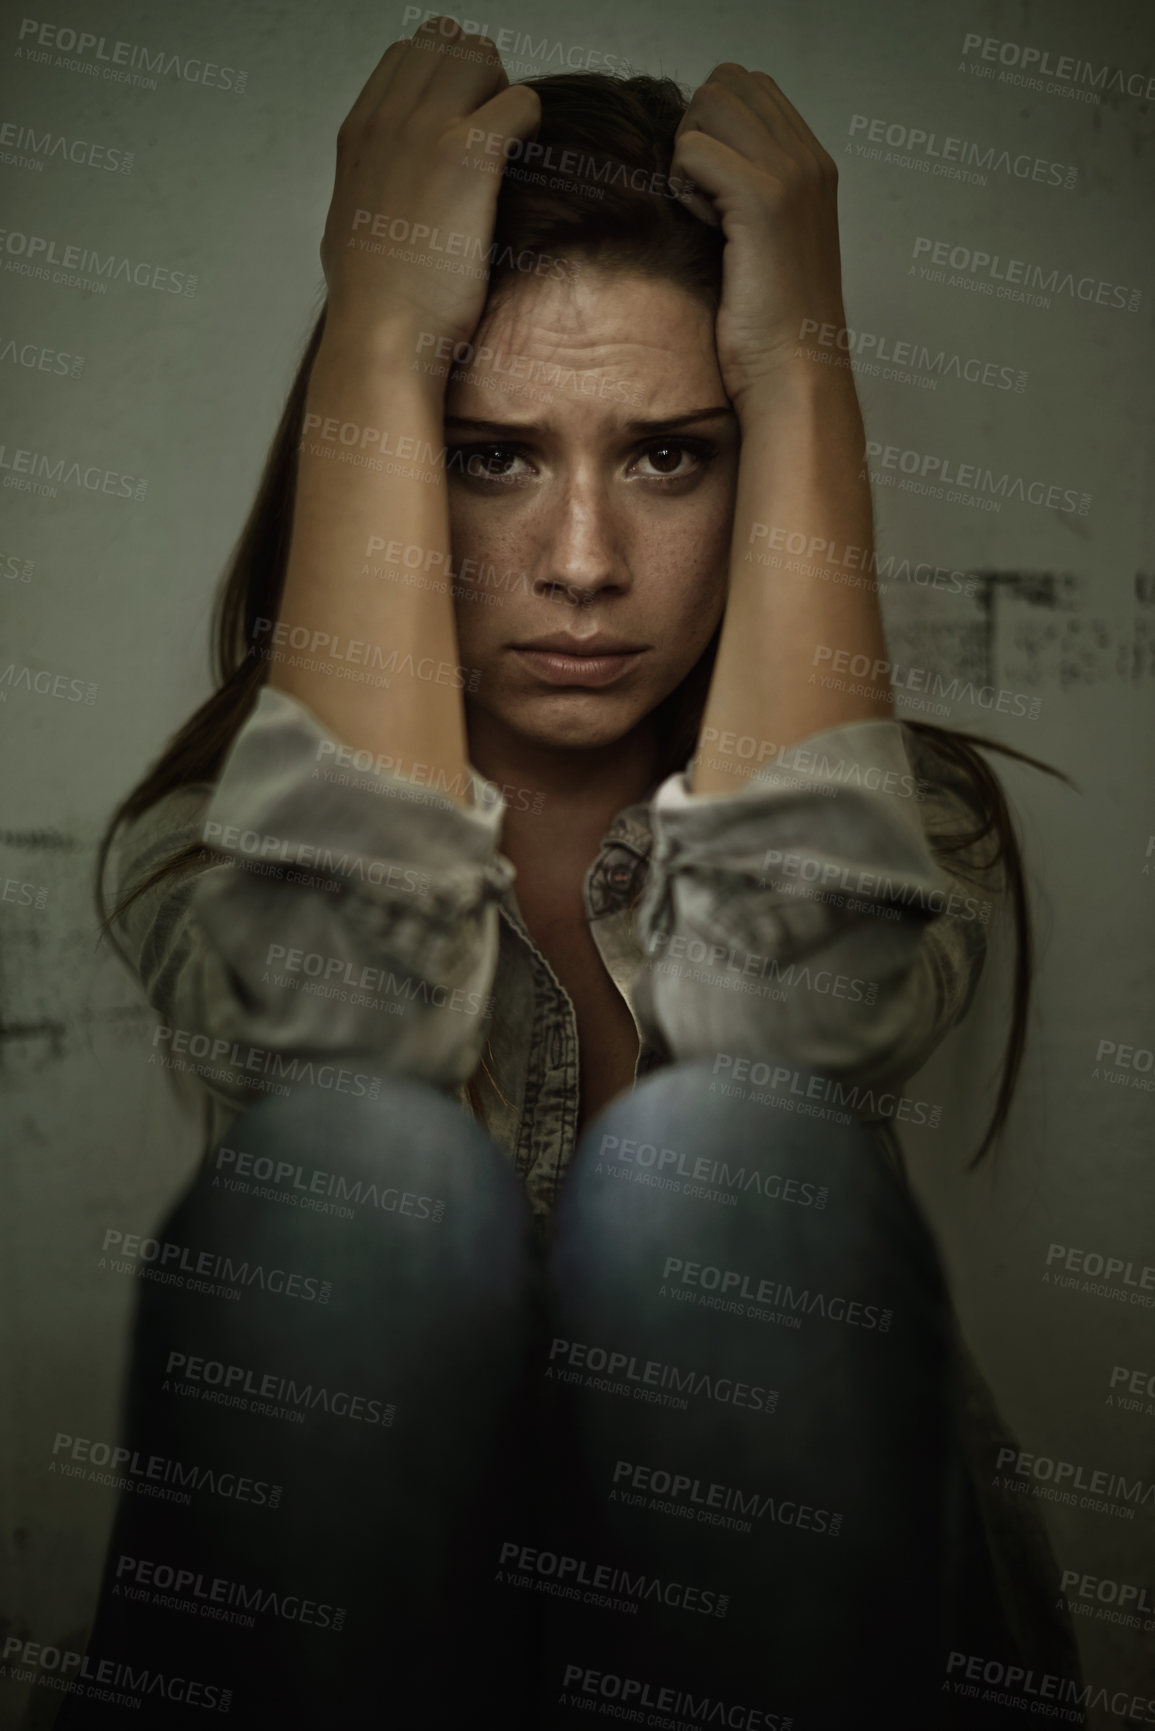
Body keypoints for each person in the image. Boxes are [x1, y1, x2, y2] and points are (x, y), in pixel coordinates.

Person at [58, 17, 1081, 1729]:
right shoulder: (206, 838)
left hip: (800, 1648)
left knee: (727, 1159)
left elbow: (779, 1026)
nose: (586, 564)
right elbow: (339, 1035)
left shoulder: (919, 833)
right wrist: (380, 332)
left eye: (672, 452)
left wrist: (807, 363)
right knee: (355, 1169)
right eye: (490, 454)